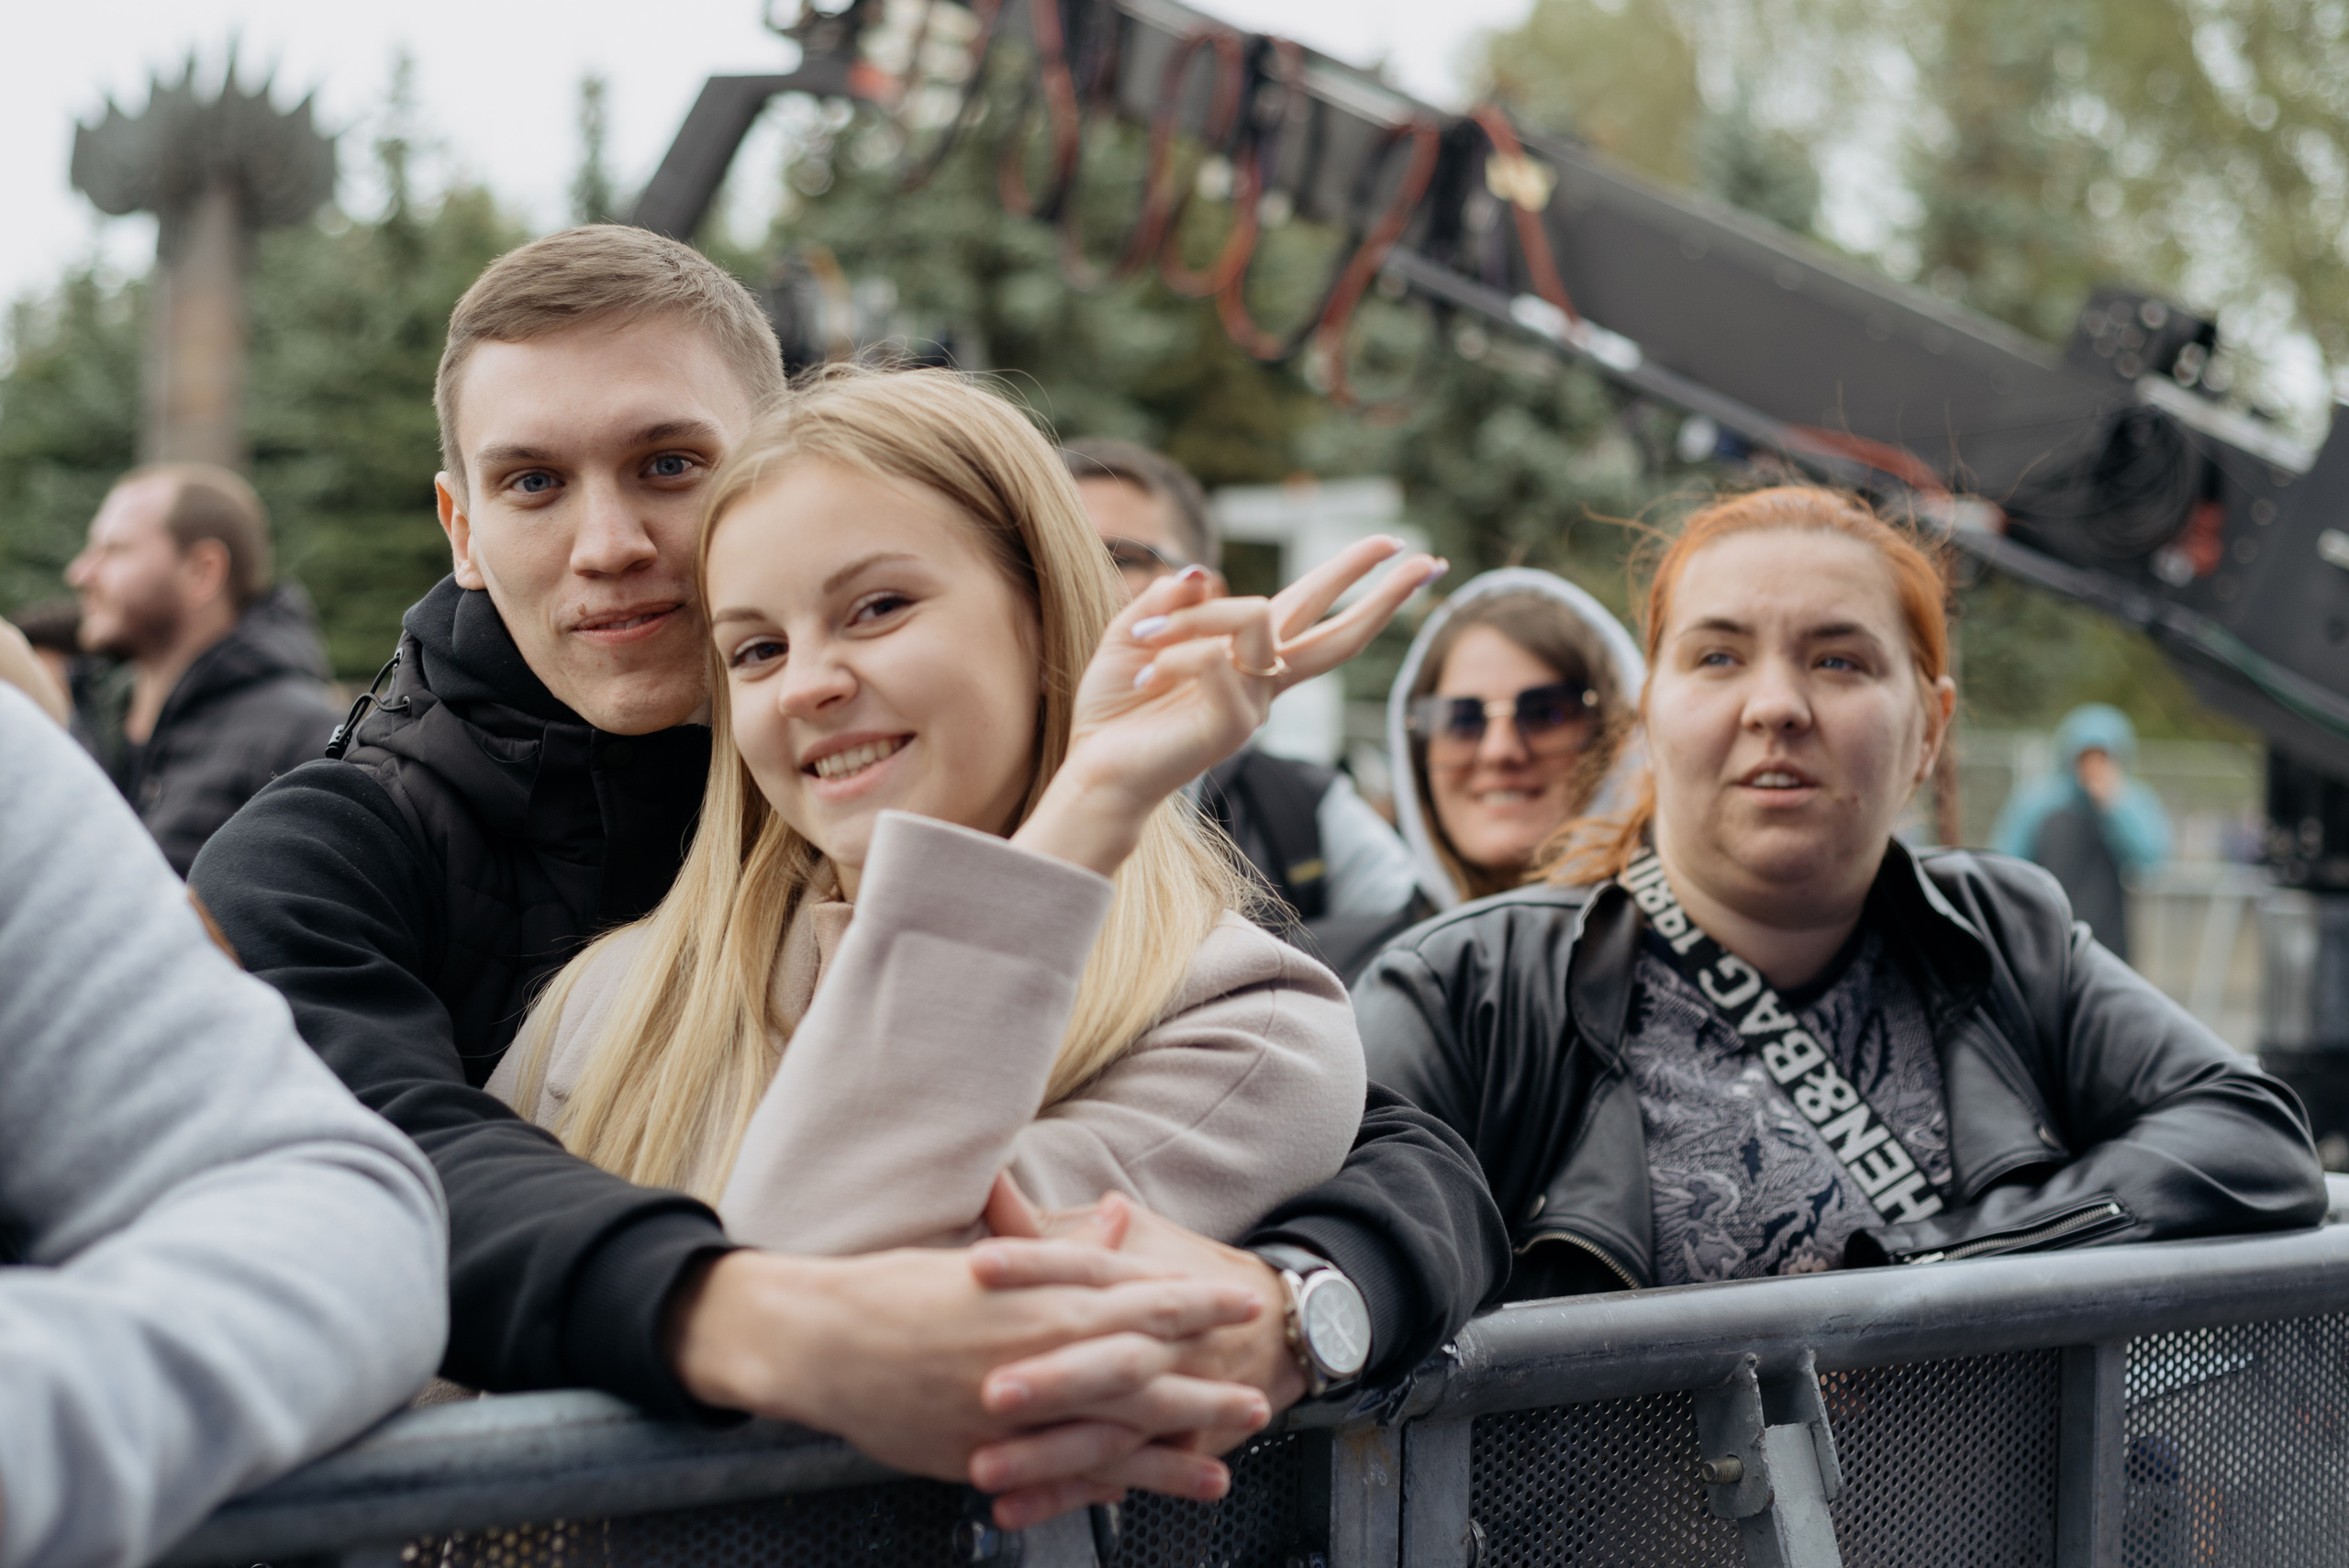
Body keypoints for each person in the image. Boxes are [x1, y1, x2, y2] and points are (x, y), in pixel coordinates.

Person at [191, 225, 1508, 1528]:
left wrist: (1308, 1297)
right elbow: (401, 1169)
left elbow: (1343, 1104)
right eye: (532, 482)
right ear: (460, 524)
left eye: (668, 463)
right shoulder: (363, 870)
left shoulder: (1108, 909)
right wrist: (740, 1308)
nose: (608, 542)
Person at [492, 366, 1394, 1258]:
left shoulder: (1241, 1021)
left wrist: (1094, 800)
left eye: (877, 607)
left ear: (1043, 612)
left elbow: (831, 1297)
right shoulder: (612, 1002)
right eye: (757, 648)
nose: (807, 684)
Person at [1358, 486, 2323, 1301]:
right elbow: (1331, 1223)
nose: (1775, 704)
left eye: (1838, 660)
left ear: (1929, 728)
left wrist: (1931, 1263)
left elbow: (2253, 1136)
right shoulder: (1468, 984)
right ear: (1651, 711)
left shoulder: (2011, 935)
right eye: (1719, 656)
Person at [0, 682, 448, 1568]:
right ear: (460, 537)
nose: (87, 569)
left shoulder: (307, 762)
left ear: (205, 568)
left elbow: (345, 1179)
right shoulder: (300, 828)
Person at [1063, 439, 1419, 942]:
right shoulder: (962, 790)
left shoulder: (1305, 812)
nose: (1079, 581)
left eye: (1121, 558)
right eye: (1055, 557)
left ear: (1211, 597)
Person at [63, 463, 340, 874]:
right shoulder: (93, 722)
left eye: (114, 550)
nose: (80, 574)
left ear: (202, 571)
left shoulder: (305, 742)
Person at [1388, 567, 1647, 912]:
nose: (1499, 751)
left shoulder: (1691, 957)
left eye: (1545, 714)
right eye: (1462, 720)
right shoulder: (1338, 963)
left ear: (1617, 735)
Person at [1991, 702, 2172, 963]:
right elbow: (2004, 864)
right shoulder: (2038, 802)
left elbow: (2150, 858)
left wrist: (2113, 804)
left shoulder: (2129, 801)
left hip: (2109, 945)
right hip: (2046, 940)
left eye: (2103, 757)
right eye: (2087, 757)